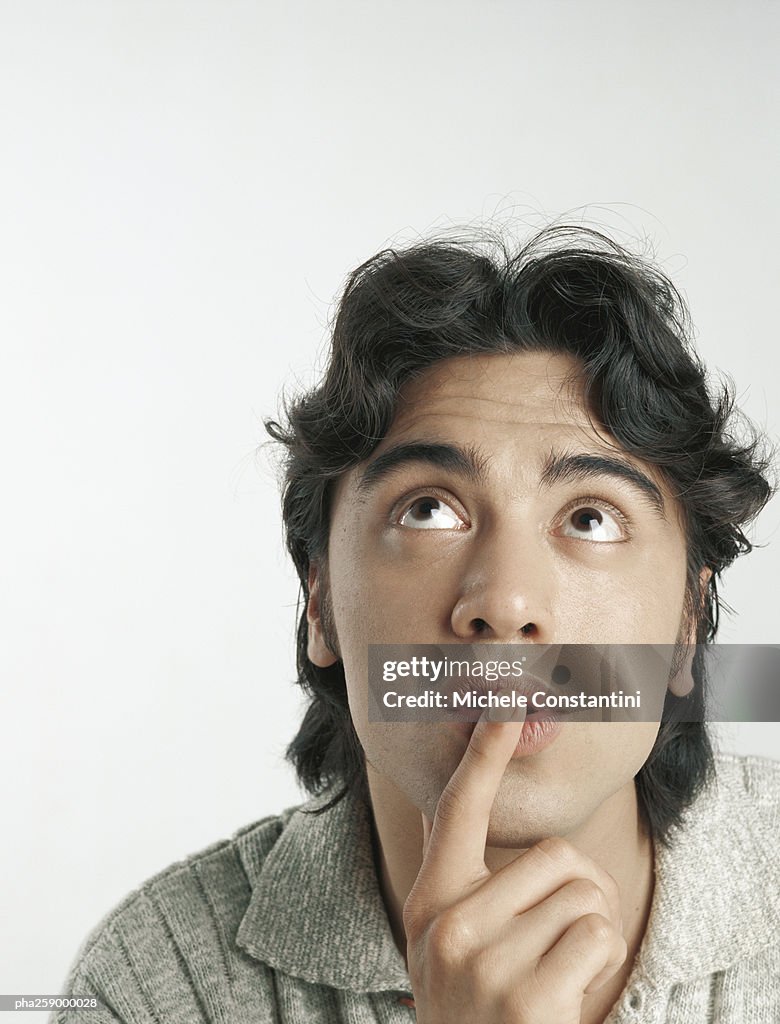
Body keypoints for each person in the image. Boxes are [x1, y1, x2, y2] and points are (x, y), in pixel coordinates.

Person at [53, 226, 779, 1023]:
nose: (505, 604)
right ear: (320, 603)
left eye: (590, 518)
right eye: (429, 509)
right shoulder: (153, 987)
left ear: (687, 625)